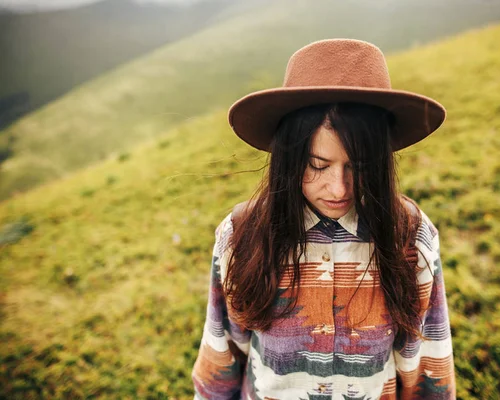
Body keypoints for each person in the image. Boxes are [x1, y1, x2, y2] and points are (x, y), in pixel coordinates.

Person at [191, 38, 456, 399]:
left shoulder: (409, 235)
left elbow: (428, 365)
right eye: (318, 165)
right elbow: (221, 359)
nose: (338, 188)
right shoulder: (242, 236)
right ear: (289, 157)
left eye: (359, 166)